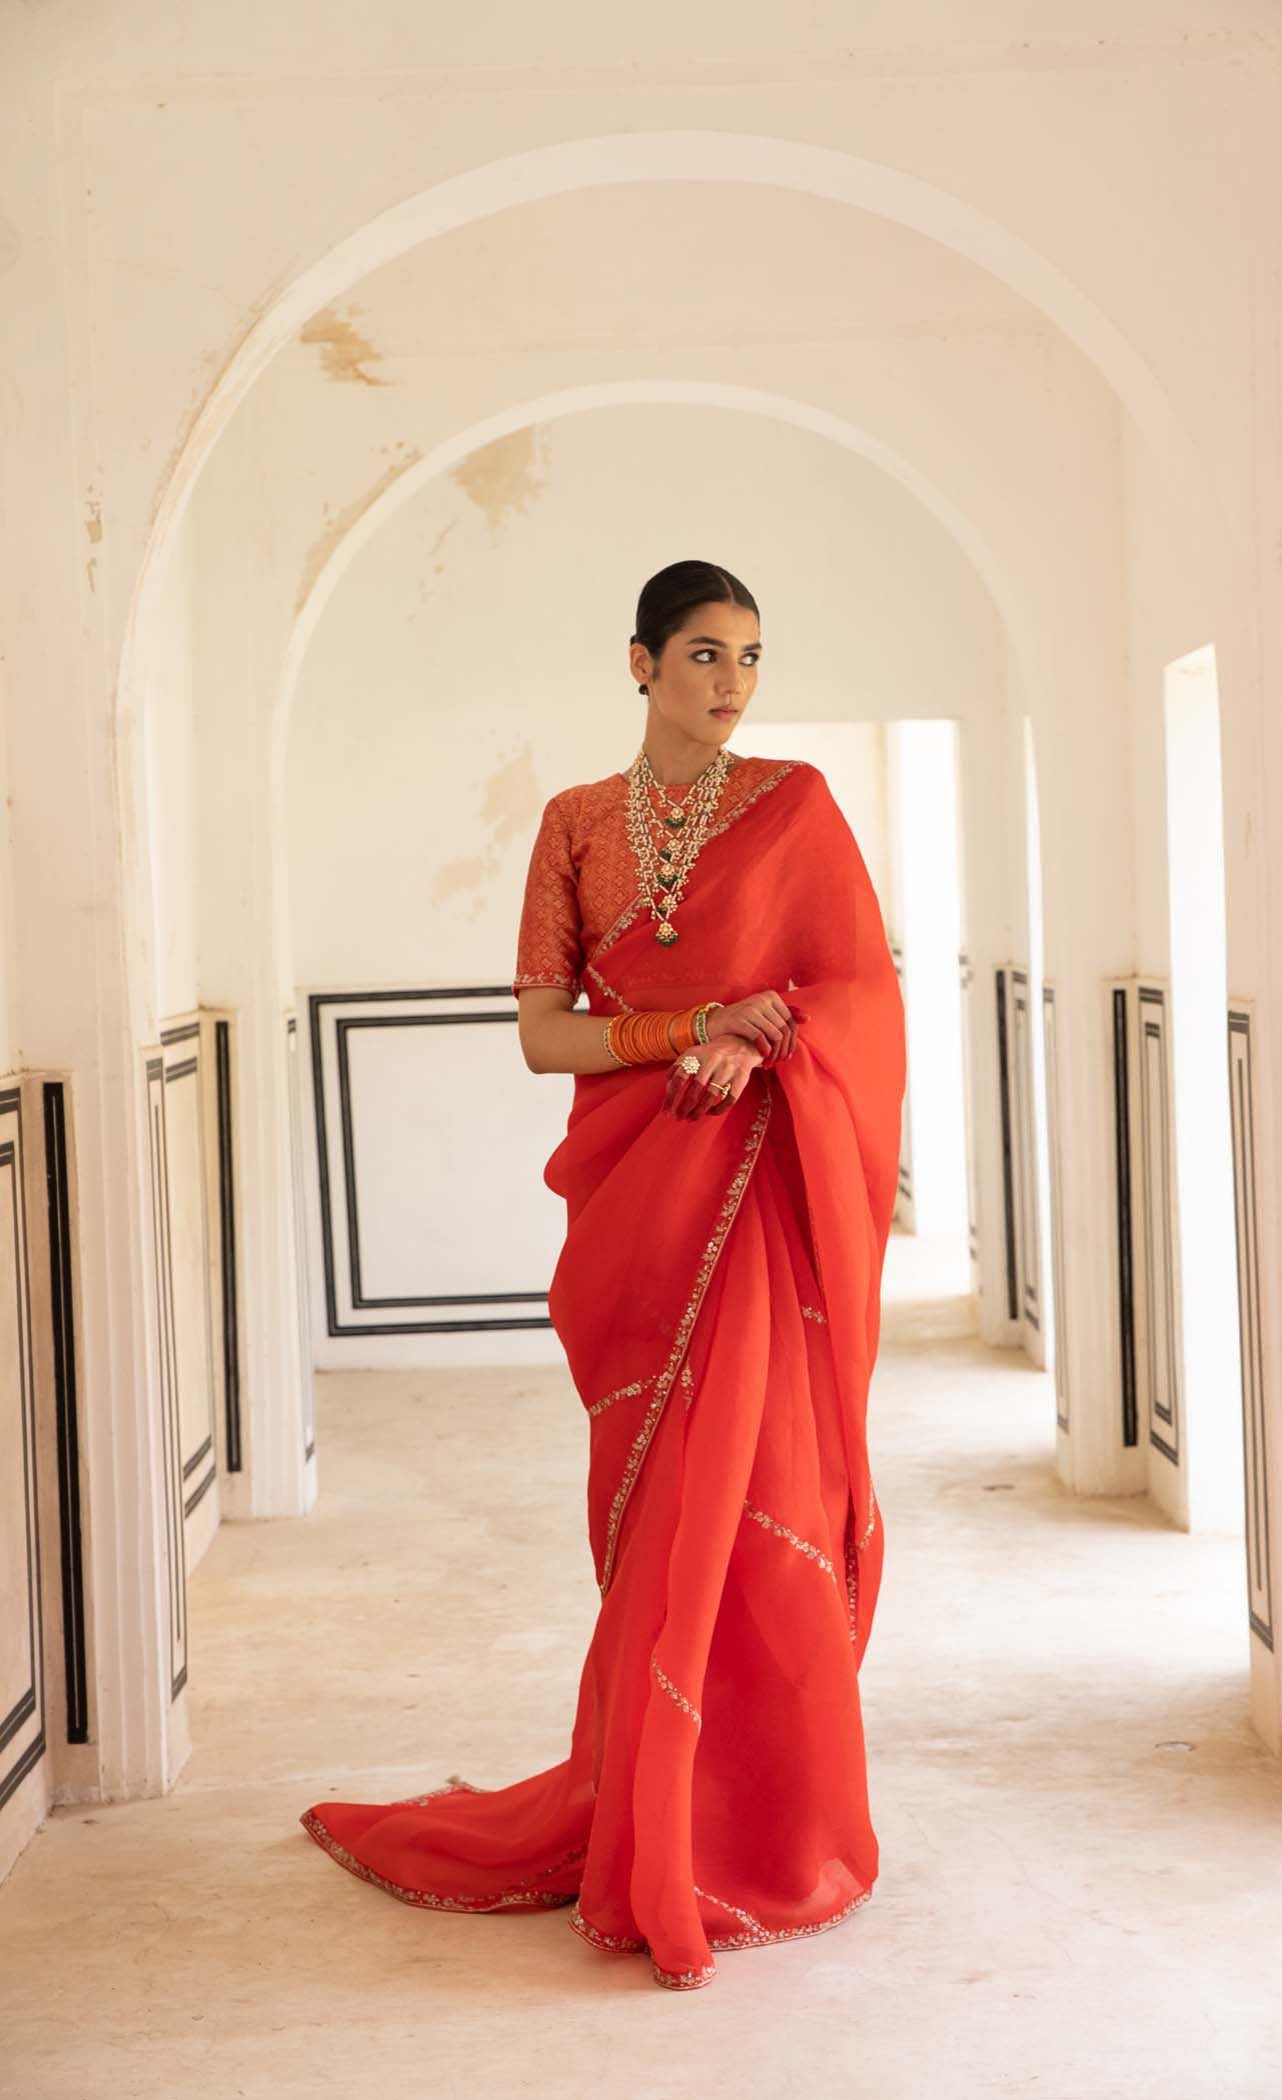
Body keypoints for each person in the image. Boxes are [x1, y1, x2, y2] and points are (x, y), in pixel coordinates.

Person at [299, 559, 907, 1991]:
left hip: (754, 1198)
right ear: (639, 664)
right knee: (654, 1514)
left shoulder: (798, 807)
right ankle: (645, 1809)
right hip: (638, 1201)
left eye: (752, 656)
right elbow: (541, 1035)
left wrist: (760, 1043)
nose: (733, 683)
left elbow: (858, 993)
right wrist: (693, 1020)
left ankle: (766, 1826)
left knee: (754, 1494)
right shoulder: (576, 827)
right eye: (704, 654)